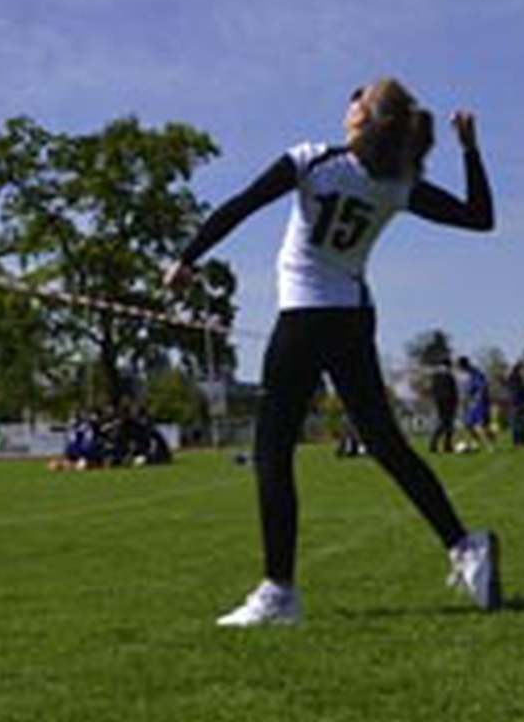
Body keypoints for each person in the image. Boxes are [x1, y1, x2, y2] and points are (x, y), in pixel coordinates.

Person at [167, 78, 502, 626]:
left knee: (273, 454)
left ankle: (279, 592)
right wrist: (470, 149)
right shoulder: (398, 183)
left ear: (366, 118)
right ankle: (465, 547)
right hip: (351, 319)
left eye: (358, 98)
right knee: (386, 445)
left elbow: (241, 204)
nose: (348, 103)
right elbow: (480, 217)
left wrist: (187, 258)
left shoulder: (312, 160)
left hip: (304, 316)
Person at [457, 355, 492, 452]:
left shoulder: (475, 373)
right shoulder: (468, 373)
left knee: (477, 425)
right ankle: (476, 444)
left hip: (477, 403)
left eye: (459, 366)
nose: (459, 369)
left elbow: (482, 386)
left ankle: (489, 446)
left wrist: (477, 398)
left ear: (463, 365)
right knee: (469, 425)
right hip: (471, 402)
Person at [428, 358, 458, 454]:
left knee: (445, 423)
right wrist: (455, 403)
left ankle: (446, 445)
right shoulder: (449, 376)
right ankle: (438, 444)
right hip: (449, 403)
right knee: (447, 424)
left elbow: (433, 390)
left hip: (439, 402)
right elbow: (453, 391)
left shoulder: (435, 376)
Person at [503, 361, 524, 449]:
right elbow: (516, 393)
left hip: (516, 404)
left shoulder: (515, 379)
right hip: (516, 404)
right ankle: (519, 444)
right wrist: (517, 404)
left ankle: (520, 443)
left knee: (519, 425)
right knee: (518, 425)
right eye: (523, 369)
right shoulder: (516, 379)